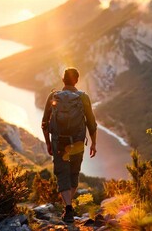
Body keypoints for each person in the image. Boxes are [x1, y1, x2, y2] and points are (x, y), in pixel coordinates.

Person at [41, 67, 97, 223]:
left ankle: (68, 208)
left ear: (63, 80)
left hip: (59, 142)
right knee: (74, 173)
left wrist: (48, 143)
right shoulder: (83, 98)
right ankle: (69, 208)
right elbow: (91, 123)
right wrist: (94, 143)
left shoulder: (53, 96)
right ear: (77, 80)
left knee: (62, 174)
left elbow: (44, 123)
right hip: (77, 142)